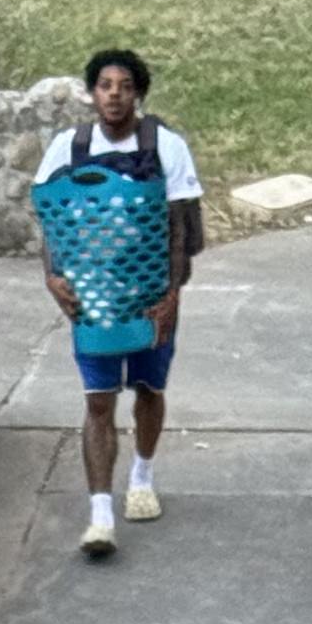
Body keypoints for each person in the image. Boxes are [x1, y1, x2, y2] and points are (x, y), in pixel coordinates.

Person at [35, 46, 204, 559]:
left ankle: (142, 478)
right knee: (98, 400)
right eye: (105, 86)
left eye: (125, 87)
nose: (114, 95)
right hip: (93, 296)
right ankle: (101, 516)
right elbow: (49, 217)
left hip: (151, 294)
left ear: (138, 95)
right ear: (92, 93)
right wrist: (52, 277)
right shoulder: (68, 148)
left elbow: (181, 229)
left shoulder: (165, 146)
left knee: (149, 388)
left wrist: (171, 295)